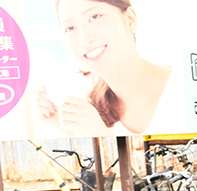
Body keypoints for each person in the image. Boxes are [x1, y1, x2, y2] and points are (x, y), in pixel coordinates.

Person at [34, 0, 171, 137]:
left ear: (130, 20)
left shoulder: (184, 88)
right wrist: (68, 133)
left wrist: (102, 136)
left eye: (94, 17)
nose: (84, 39)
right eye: (70, 28)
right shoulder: (90, 112)